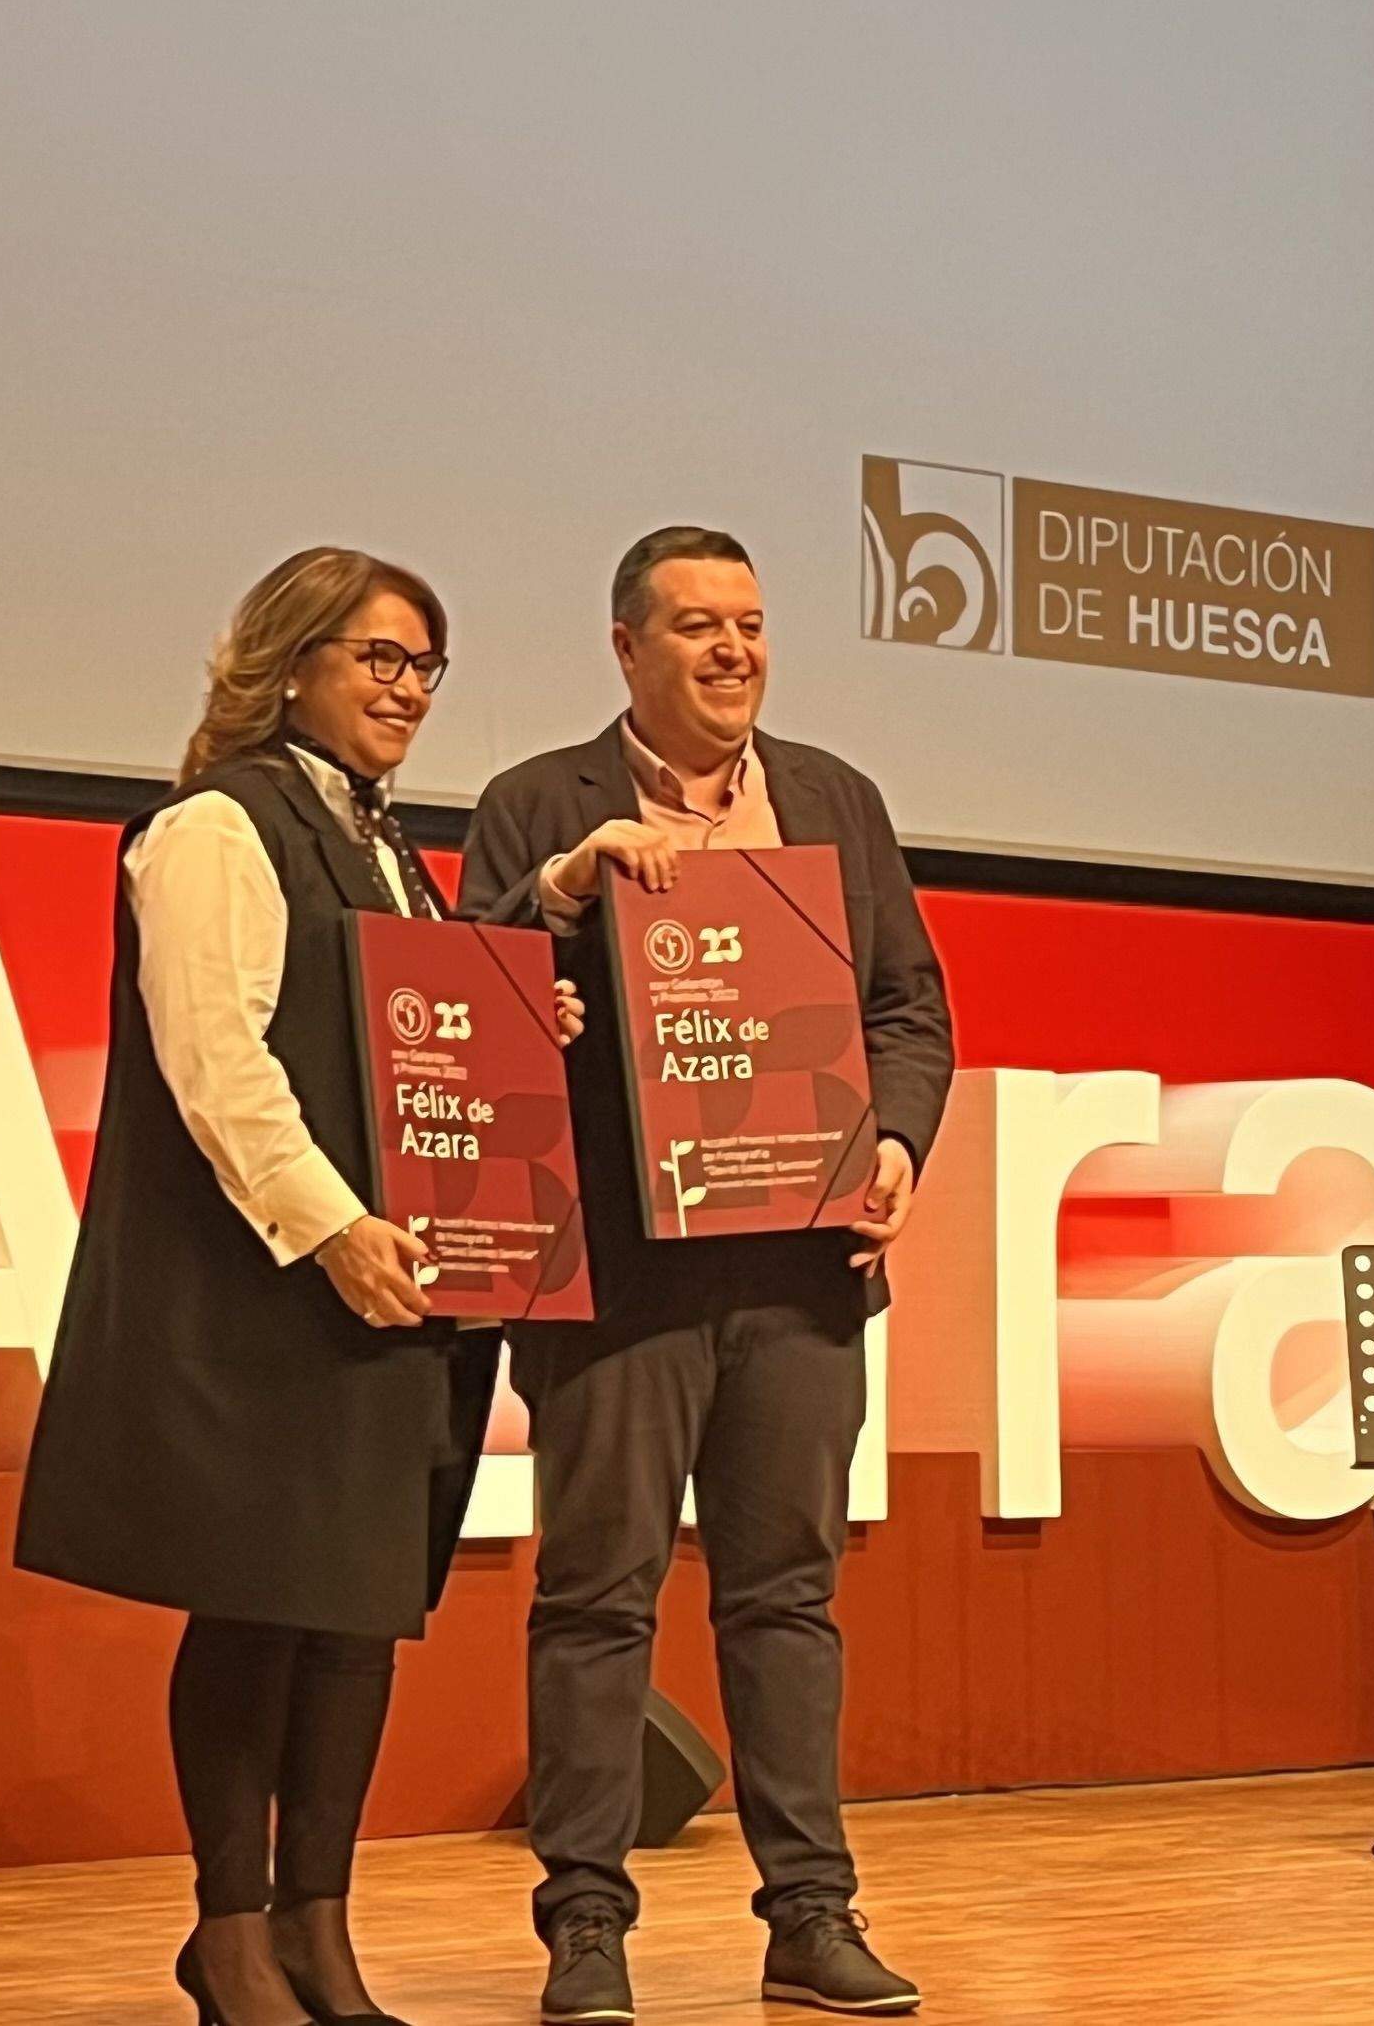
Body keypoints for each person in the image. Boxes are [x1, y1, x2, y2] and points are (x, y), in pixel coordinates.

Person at [18, 546, 580, 2026]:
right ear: (288, 665)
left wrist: (528, 1022)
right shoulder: (215, 827)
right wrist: (333, 1228)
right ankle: (230, 1934)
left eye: (425, 665)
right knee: (257, 1612)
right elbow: (216, 1060)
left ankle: (318, 1930)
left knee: (353, 1618)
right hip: (273, 1294)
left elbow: (409, 1042)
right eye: (379, 659)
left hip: (396, 1299)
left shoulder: (389, 846)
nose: (409, 690)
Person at [461, 527, 953, 2023]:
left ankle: (811, 1916)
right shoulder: (538, 804)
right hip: (618, 1281)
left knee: (787, 1601)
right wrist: (559, 895)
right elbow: (467, 1002)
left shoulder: (835, 800)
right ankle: (585, 1926)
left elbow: (908, 1009)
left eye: (749, 622)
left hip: (801, 1275)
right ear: (627, 648)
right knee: (596, 1601)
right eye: (696, 626)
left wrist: (897, 1144)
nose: (733, 650)